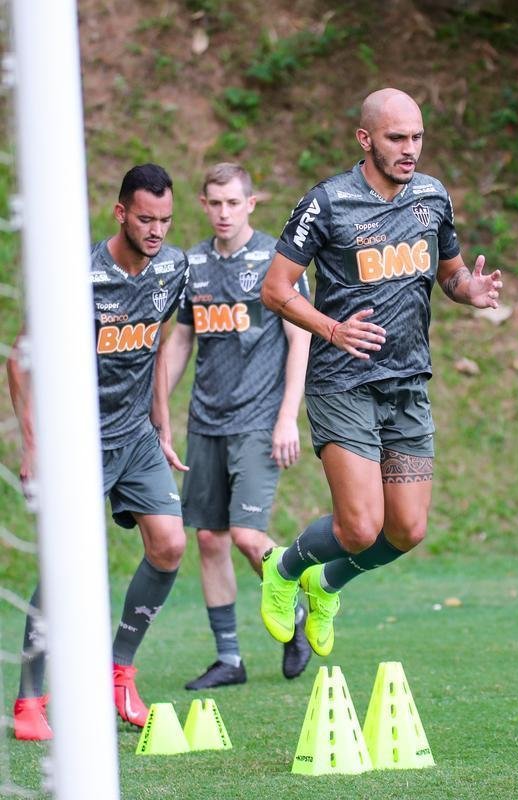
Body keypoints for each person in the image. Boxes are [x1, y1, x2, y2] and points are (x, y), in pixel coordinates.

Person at [259, 88, 503, 657]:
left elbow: (451, 274)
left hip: (408, 382)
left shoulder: (431, 198)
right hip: (343, 381)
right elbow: (274, 290)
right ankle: (283, 567)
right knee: (359, 528)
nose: (410, 149)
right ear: (365, 140)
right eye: (397, 138)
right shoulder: (327, 203)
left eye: (417, 137)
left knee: (407, 531)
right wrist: (331, 328)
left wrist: (472, 290)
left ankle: (326, 584)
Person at [7, 163, 190, 740]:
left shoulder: (173, 268)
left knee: (169, 544)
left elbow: (157, 344)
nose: (156, 230)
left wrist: (162, 424)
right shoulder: (79, 274)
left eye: (164, 219)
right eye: (145, 218)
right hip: (75, 439)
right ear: (120, 213)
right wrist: (35, 445)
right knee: (65, 567)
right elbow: (19, 359)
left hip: (135, 436)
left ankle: (120, 669)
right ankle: (29, 700)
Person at [163, 163, 312, 689]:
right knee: (209, 538)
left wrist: (287, 416)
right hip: (205, 420)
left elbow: (300, 340)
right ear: (203, 205)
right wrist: (159, 407)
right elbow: (182, 339)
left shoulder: (277, 260)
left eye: (234, 202)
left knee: (249, 536)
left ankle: (295, 606)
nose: (224, 212)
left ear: (251, 203)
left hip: (258, 420)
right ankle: (230, 658)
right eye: (215, 203)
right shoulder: (194, 264)